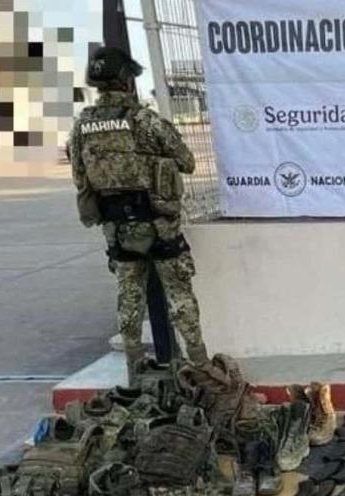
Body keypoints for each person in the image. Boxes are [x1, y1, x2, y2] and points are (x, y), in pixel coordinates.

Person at [67, 46, 210, 385]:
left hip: (117, 229)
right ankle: (202, 370)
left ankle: (134, 374)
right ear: (127, 81)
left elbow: (80, 177)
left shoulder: (81, 126)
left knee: (129, 299)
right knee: (180, 296)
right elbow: (187, 162)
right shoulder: (145, 121)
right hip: (160, 225)